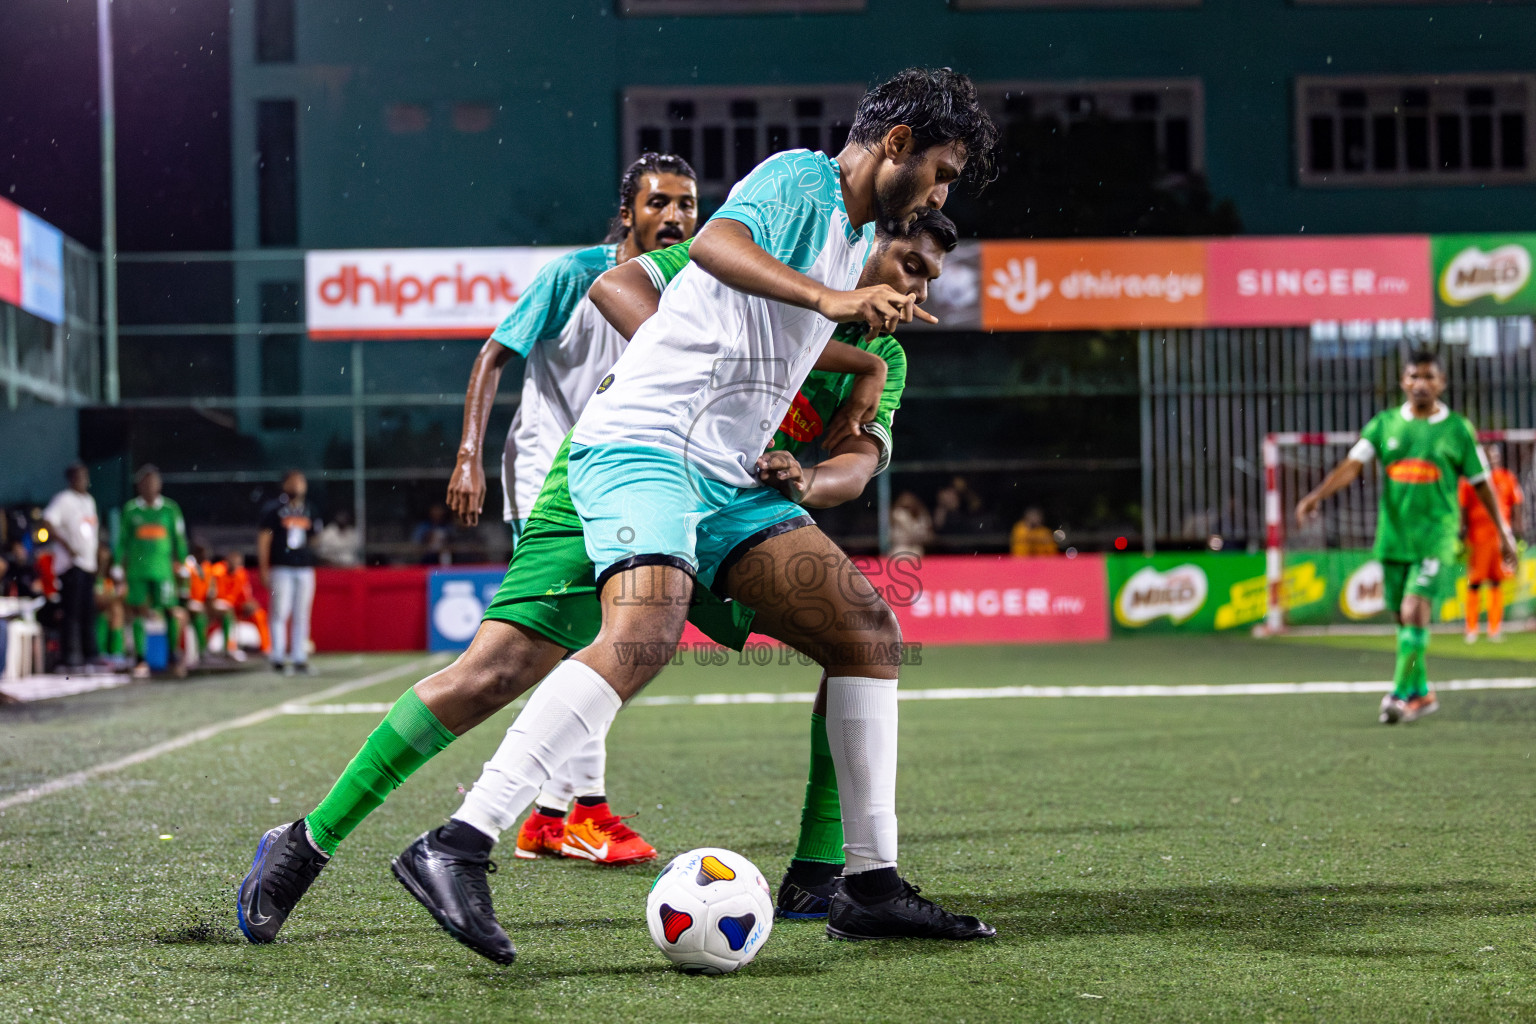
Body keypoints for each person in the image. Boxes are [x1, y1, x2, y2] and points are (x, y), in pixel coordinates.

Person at [236, 205, 966, 957]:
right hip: (625, 465)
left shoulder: (887, 354)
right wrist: (783, 356)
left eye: (930, 279)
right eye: (909, 267)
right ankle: (309, 842)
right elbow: (618, 290)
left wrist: (809, 476)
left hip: (733, 508)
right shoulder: (765, 261)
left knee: (858, 632)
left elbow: (860, 461)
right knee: (495, 673)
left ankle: (829, 874)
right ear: (864, 248)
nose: (918, 293)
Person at [379, 66, 996, 955]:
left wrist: (860, 359)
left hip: (722, 474)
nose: (938, 193)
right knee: (644, 631)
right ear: (896, 144)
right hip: (643, 440)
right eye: (939, 172)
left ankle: (869, 885)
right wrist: (835, 301)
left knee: (865, 631)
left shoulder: (845, 233)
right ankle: (459, 842)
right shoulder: (801, 179)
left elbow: (803, 346)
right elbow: (714, 249)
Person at [442, 152, 699, 864]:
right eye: (658, 203)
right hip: (549, 467)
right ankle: (581, 812)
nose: (674, 217)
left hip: (623, 471)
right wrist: (468, 454)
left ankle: (551, 815)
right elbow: (495, 353)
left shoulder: (691, 287)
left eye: (686, 204)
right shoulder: (574, 275)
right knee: (580, 634)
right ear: (628, 213)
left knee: (597, 637)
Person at [1296, 349, 1517, 725]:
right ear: (1403, 382)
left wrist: (1505, 533)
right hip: (1394, 538)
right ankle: (1423, 692)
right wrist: (1318, 495)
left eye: (1430, 377)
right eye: (1414, 376)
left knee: (1415, 609)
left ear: (1442, 383)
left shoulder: (1458, 430)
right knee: (1403, 619)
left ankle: (1398, 696)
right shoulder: (1384, 425)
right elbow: (1353, 464)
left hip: (1436, 536)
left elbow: (1482, 486)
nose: (1421, 384)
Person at [116, 465, 191, 679]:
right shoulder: (131, 510)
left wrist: (183, 563)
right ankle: (140, 658)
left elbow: (179, 539)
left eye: (153, 482)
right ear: (139, 486)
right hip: (138, 570)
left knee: (170, 611)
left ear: (159, 484)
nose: (150, 486)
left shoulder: (170, 509)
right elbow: (122, 541)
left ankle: (173, 656)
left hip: (163, 571)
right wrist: (117, 566)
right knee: (138, 611)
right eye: (145, 482)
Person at [258, 471, 321, 676]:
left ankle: (298, 657)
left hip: (303, 567)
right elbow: (264, 539)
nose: (297, 486)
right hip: (281, 567)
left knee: (302, 613)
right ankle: (278, 657)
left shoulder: (309, 509)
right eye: (293, 482)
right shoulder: (274, 509)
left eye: (300, 481)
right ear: (285, 485)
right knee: (279, 612)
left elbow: (314, 538)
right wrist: (264, 567)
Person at [1460, 444, 1523, 643]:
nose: (1493, 459)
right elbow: (1463, 507)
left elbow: (1517, 504)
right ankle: (1471, 628)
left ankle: (1494, 628)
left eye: (1495, 455)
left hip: (1500, 539)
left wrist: (1517, 532)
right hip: (1477, 538)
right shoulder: (1470, 481)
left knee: (1496, 581)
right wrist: (1462, 532)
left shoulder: (1506, 477)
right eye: (1489, 456)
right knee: (1475, 583)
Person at [41, 463, 100, 670]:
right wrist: (67, 545)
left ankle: (89, 655)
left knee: (87, 611)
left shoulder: (89, 501)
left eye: (85, 476)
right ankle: (71, 655)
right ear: (71, 479)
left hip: (87, 565)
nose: (84, 480)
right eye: (79, 476)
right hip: (71, 565)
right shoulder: (63, 499)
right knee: (72, 612)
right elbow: (47, 521)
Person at [214, 551, 271, 660]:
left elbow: (245, 595)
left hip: (236, 606)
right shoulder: (218, 572)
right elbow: (215, 595)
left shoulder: (241, 573)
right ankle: (230, 649)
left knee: (259, 614)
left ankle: (266, 649)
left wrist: (249, 603)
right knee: (227, 614)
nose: (237, 565)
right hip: (219, 605)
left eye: (239, 563)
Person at [94, 543, 126, 662]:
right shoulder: (94, 579)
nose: (104, 563)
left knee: (117, 611)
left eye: (106, 561)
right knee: (106, 615)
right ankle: (101, 651)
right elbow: (98, 599)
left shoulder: (111, 580)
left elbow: (123, 594)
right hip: (98, 611)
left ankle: (117, 652)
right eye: (102, 560)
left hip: (111, 610)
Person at [888, 491, 933, 557]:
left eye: (908, 507)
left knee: (917, 551)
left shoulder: (922, 518)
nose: (906, 511)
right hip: (899, 547)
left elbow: (928, 537)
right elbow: (890, 537)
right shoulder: (897, 515)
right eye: (904, 507)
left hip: (916, 547)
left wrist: (908, 523)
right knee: (899, 551)